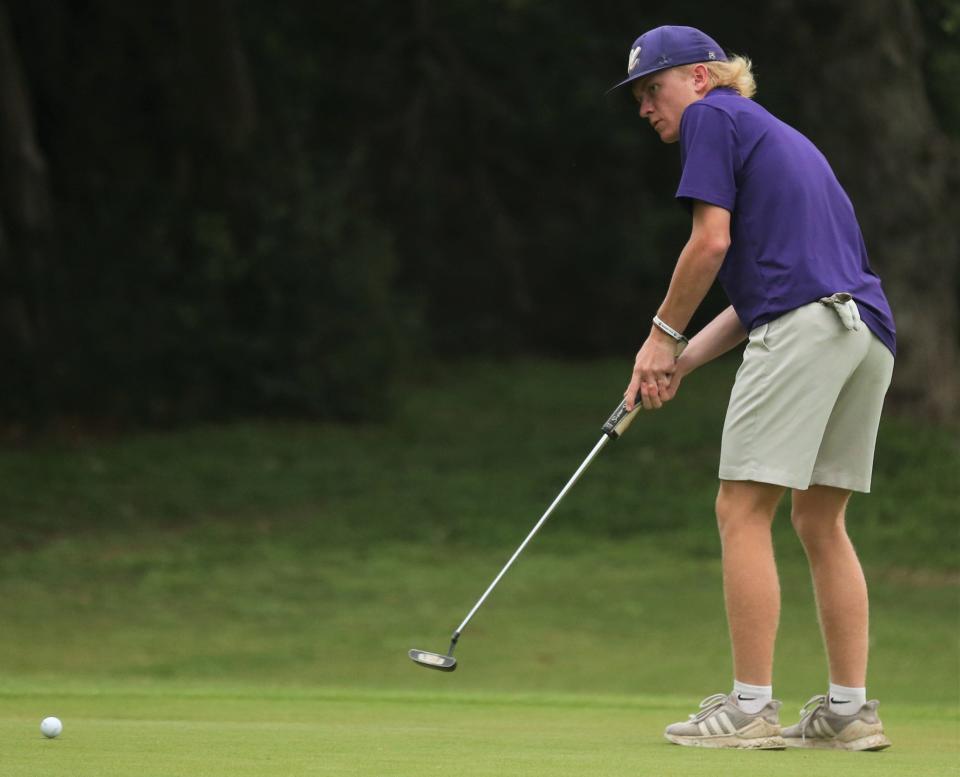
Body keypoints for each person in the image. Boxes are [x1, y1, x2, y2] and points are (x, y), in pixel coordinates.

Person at [608, 25, 896, 751]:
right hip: (864, 333)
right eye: (639, 96)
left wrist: (659, 335)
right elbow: (761, 293)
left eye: (655, 88)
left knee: (740, 505)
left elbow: (710, 243)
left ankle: (748, 707)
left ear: (702, 78)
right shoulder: (774, 136)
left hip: (808, 327)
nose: (646, 107)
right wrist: (680, 361)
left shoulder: (711, 116)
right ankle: (848, 710)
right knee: (819, 520)